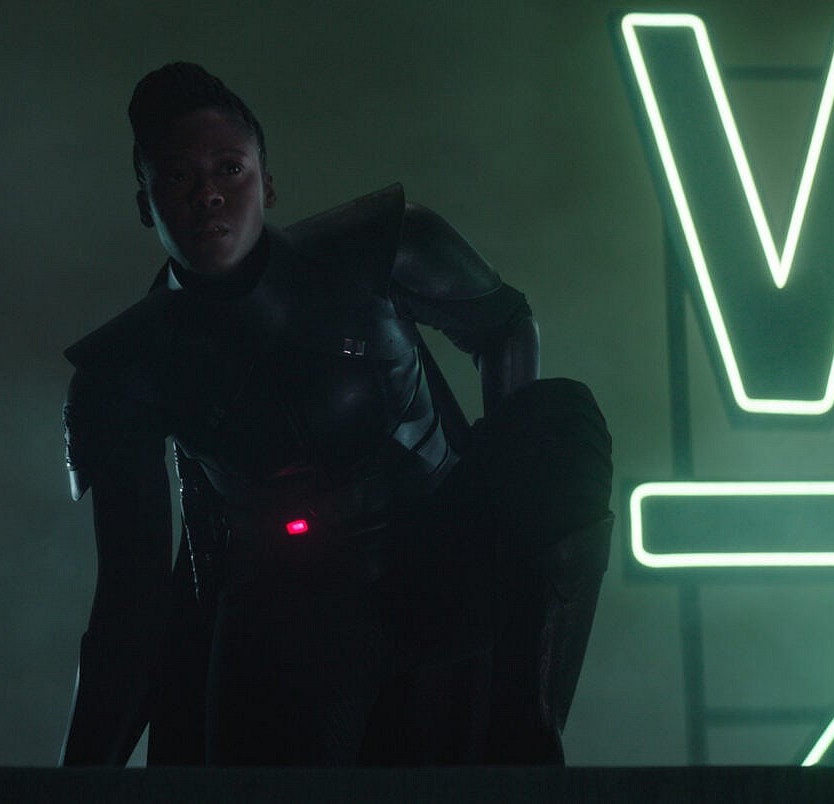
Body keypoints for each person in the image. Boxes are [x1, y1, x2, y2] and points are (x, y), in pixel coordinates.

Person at [58, 62, 612, 766]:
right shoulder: (126, 370)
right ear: (147, 203)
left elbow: (504, 324)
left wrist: (496, 489)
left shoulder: (384, 248)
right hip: (283, 607)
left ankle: (523, 745)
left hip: (440, 554)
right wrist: (74, 784)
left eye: (229, 168)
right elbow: (131, 608)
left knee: (561, 418)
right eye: (178, 177)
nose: (208, 195)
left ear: (267, 183)